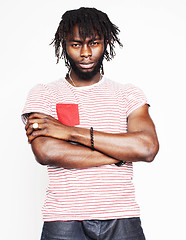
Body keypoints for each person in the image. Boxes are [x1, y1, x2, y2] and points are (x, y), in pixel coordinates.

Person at [22, 7, 159, 240]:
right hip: (63, 218)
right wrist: (121, 153)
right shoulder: (43, 94)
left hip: (121, 215)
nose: (85, 53)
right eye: (76, 44)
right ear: (64, 46)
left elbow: (146, 148)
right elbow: (46, 151)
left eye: (94, 43)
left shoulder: (128, 94)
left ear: (106, 42)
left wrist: (67, 132)